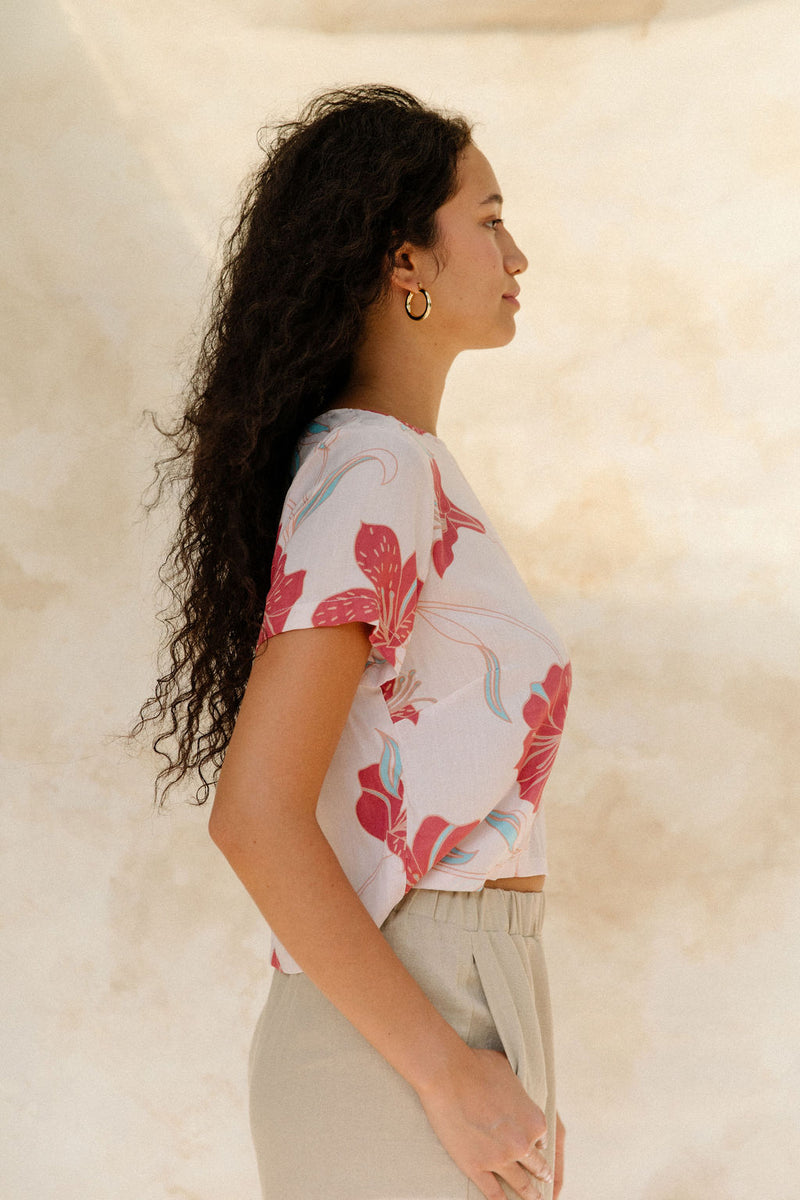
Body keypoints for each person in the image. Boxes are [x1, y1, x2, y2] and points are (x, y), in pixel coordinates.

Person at [134, 83, 570, 1200]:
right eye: (486, 216)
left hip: (454, 997)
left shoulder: (401, 468)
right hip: (410, 1019)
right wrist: (445, 1072)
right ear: (402, 263)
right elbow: (256, 815)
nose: (515, 254)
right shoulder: (372, 469)